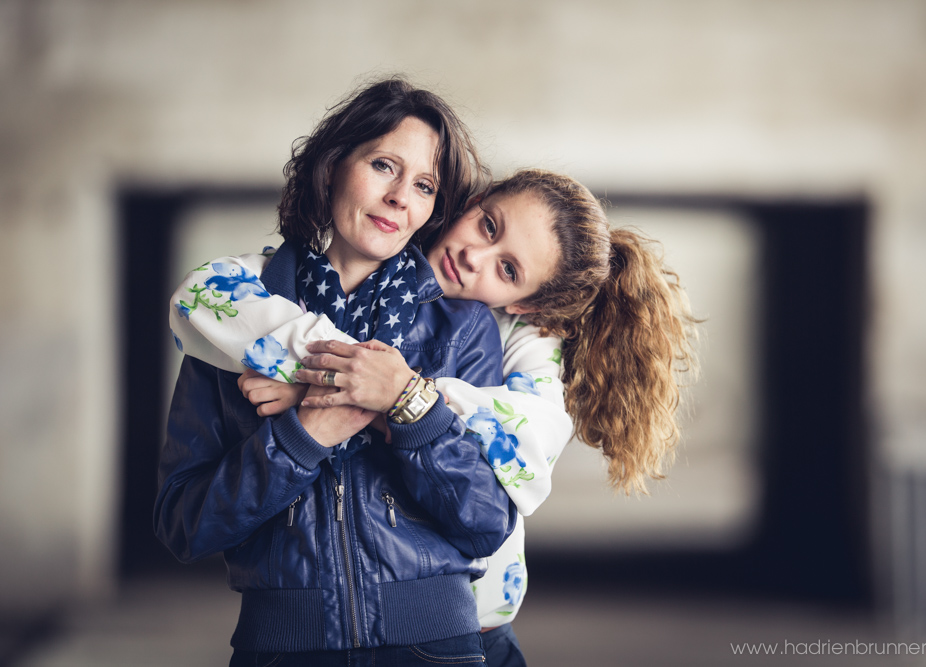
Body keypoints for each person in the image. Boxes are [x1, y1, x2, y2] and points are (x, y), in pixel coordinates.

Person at [170, 167, 699, 665]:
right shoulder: (291, 288)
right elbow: (203, 295)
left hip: (472, 631)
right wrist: (350, 390)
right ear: (471, 202)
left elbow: (521, 451)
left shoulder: (516, 341)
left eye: (507, 269)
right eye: (488, 226)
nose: (476, 257)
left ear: (525, 306)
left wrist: (355, 393)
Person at [155, 78, 519, 666]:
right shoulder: (237, 319)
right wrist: (303, 436)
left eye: (424, 185)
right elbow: (183, 522)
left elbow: (486, 521)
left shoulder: (460, 326)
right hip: (282, 647)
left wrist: (404, 401)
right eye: (383, 165)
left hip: (435, 647)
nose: (401, 197)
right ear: (332, 166)